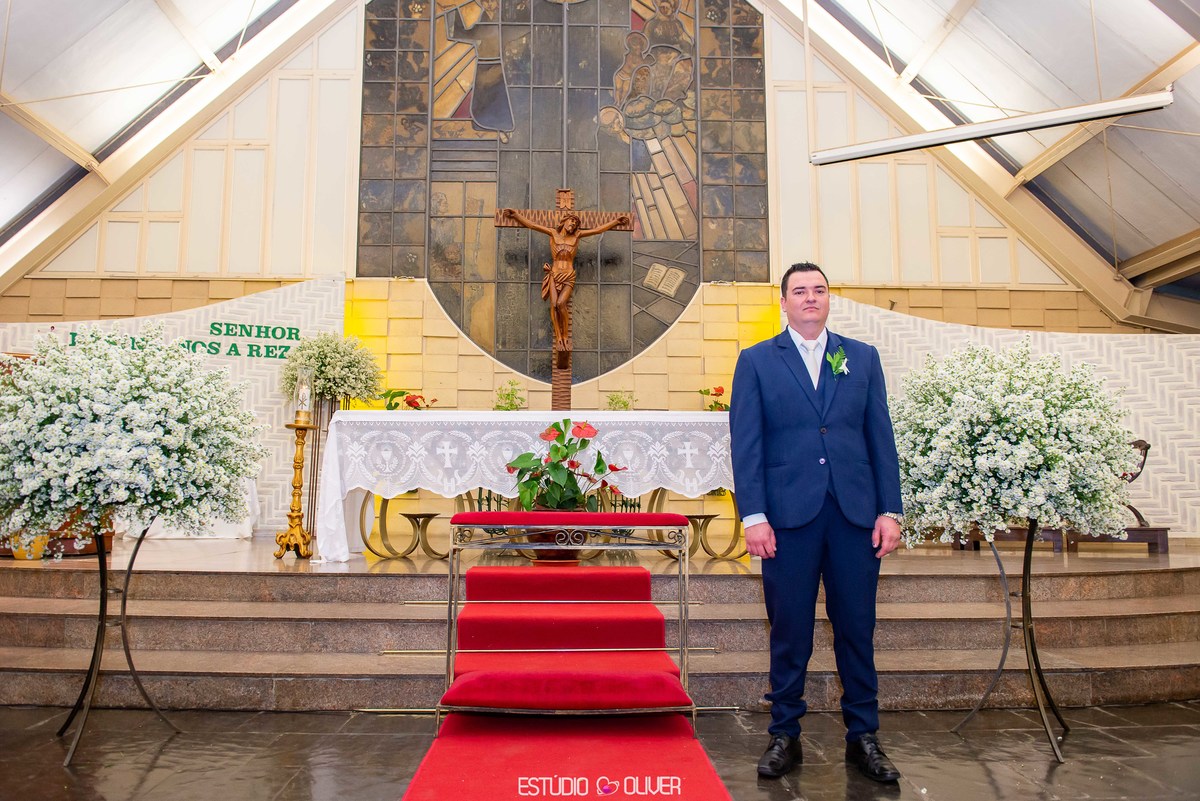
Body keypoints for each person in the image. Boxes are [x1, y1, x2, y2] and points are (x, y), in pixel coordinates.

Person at [729, 262, 904, 783]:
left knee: (856, 627)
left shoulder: (861, 357)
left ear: (829, 299)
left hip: (854, 515)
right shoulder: (757, 361)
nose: (811, 297)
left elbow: (880, 437)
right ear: (783, 302)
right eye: (800, 291)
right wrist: (754, 516)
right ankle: (784, 732)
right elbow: (747, 444)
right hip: (787, 518)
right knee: (790, 629)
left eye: (819, 290)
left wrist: (890, 510)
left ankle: (864, 736)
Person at [500, 209, 631, 353]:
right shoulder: (553, 233)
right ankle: (559, 337)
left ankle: (565, 336)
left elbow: (597, 230)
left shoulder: (577, 235)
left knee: (561, 303)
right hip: (554, 274)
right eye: (572, 221)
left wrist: (616, 222)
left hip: (568, 275)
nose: (573, 224)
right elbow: (532, 225)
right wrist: (516, 215)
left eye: (575, 223)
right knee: (554, 305)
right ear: (565, 221)